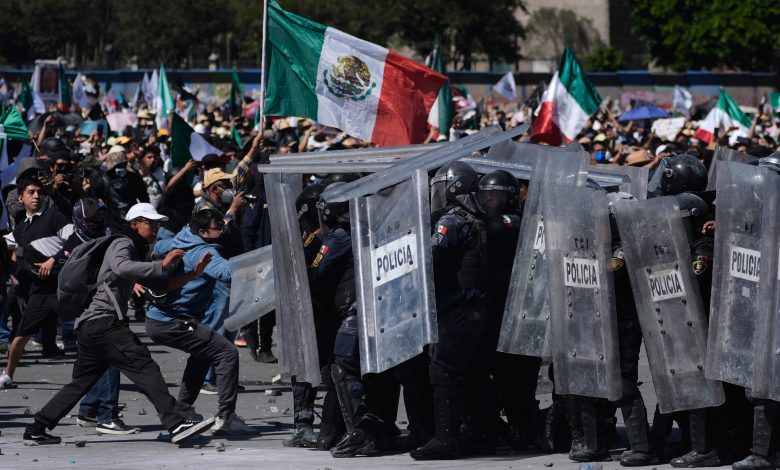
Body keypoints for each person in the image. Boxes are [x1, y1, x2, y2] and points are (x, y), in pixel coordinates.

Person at [22, 203, 215, 445]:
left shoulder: (138, 251)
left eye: (157, 223)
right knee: (145, 367)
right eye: (150, 222)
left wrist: (192, 274)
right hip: (104, 322)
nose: (155, 227)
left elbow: (159, 288)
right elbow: (121, 267)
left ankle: (37, 427)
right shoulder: (122, 243)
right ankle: (176, 423)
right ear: (134, 224)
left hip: (91, 325)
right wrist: (162, 265)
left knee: (80, 383)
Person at [144, 209, 256, 436]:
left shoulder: (180, 238)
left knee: (203, 353)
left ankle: (184, 408)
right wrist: (261, 264)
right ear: (203, 232)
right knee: (227, 353)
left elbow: (158, 246)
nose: (223, 230)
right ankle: (226, 418)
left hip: (157, 318)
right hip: (173, 321)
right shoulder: (204, 252)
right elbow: (227, 273)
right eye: (219, 227)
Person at [411, 162, 490, 460]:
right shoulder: (480, 219)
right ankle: (478, 434)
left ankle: (445, 438)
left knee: (442, 369)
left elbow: (431, 257)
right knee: (471, 372)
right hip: (476, 307)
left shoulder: (451, 221)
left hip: (456, 307)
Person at [64, 198, 139, 435]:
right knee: (111, 360)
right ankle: (107, 416)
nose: (96, 222)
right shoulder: (75, 244)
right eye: (90, 219)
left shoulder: (104, 239)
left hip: (99, 310)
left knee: (95, 364)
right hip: (92, 312)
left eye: (99, 217)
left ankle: (89, 410)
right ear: (79, 220)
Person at [1, 177, 73, 390]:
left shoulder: (53, 217)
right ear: (20, 198)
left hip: (64, 288)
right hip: (40, 292)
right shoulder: (22, 228)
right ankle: (7, 375)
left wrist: (53, 260)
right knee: (21, 335)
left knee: (91, 328)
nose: (36, 196)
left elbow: (75, 240)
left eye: (39, 192)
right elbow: (5, 243)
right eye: (31, 192)